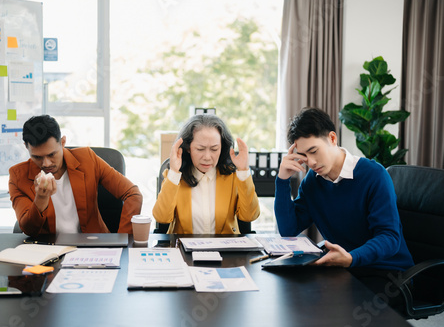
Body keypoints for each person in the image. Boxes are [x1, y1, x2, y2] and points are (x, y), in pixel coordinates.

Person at [274, 107, 413, 312]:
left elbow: (390, 237)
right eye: (304, 155)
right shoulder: (313, 182)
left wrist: (351, 258)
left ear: (332, 138)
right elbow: (288, 230)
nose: (310, 163)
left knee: (336, 309)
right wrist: (282, 180)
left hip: (388, 274)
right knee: (292, 296)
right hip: (344, 269)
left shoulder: (373, 175)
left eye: (314, 151)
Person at [9, 115, 142, 236]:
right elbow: (29, 229)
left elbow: (133, 194)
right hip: (49, 250)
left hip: (94, 246)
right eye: (37, 157)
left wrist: (123, 239)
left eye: (51, 154)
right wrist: (41, 199)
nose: (46, 163)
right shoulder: (18, 176)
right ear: (27, 148)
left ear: (62, 142)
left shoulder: (87, 159)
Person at [153, 114, 260, 234]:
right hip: (184, 250)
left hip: (225, 250)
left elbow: (250, 216)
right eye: (200, 149)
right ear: (188, 147)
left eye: (214, 149)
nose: (207, 157)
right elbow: (161, 217)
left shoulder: (233, 175)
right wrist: (174, 173)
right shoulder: (176, 177)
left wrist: (244, 171)